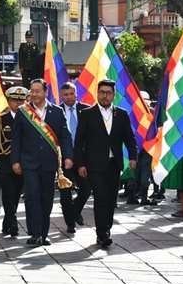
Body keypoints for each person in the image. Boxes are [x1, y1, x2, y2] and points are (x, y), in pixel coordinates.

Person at [74, 80, 137, 247]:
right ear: (97, 93)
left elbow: (129, 138)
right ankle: (102, 233)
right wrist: (80, 164)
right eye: (102, 92)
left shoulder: (122, 114)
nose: (105, 95)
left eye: (108, 92)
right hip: (94, 164)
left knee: (110, 199)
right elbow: (79, 142)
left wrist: (133, 157)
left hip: (114, 164)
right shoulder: (87, 114)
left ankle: (106, 229)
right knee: (100, 197)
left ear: (113, 95)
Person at [11, 79, 73, 246]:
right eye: (32, 91)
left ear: (46, 92)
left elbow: (65, 136)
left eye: (38, 91)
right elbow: (16, 138)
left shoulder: (57, 112)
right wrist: (15, 160)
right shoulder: (23, 111)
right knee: (32, 196)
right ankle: (35, 232)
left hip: (49, 163)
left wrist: (68, 156)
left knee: (46, 198)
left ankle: (43, 234)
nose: (34, 94)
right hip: (29, 162)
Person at [0, 86, 28, 236]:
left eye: (21, 100)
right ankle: (13, 222)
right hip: (5, 162)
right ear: (9, 100)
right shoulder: (1, 119)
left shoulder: (30, 118)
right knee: (7, 193)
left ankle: (7, 221)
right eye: (14, 100)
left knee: (16, 194)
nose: (18, 103)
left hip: (23, 163)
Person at [59, 82, 91, 232]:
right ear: (61, 96)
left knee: (85, 190)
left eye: (72, 94)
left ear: (76, 94)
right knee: (65, 194)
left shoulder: (86, 110)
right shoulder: (56, 111)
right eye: (66, 94)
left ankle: (75, 212)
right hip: (64, 159)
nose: (69, 97)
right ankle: (70, 224)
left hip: (82, 158)